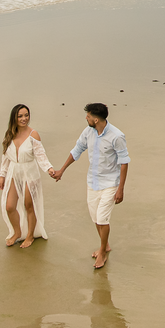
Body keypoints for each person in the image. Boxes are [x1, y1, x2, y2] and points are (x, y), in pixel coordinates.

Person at [52, 103, 130, 269]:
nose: (85, 118)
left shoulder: (117, 136)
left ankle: (102, 252)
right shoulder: (88, 132)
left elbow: (124, 162)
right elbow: (77, 150)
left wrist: (121, 189)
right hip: (92, 182)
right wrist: (62, 170)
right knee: (95, 218)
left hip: (110, 184)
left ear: (96, 119)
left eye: (87, 116)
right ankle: (105, 245)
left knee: (102, 218)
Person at [0, 104, 57, 248]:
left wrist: (49, 168)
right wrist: (2, 176)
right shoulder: (10, 134)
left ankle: (30, 236)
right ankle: (17, 232)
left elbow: (40, 155)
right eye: (20, 116)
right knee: (9, 206)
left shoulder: (33, 135)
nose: (24, 118)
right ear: (14, 118)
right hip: (14, 172)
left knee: (28, 205)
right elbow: (5, 157)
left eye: (26, 115)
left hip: (30, 172)